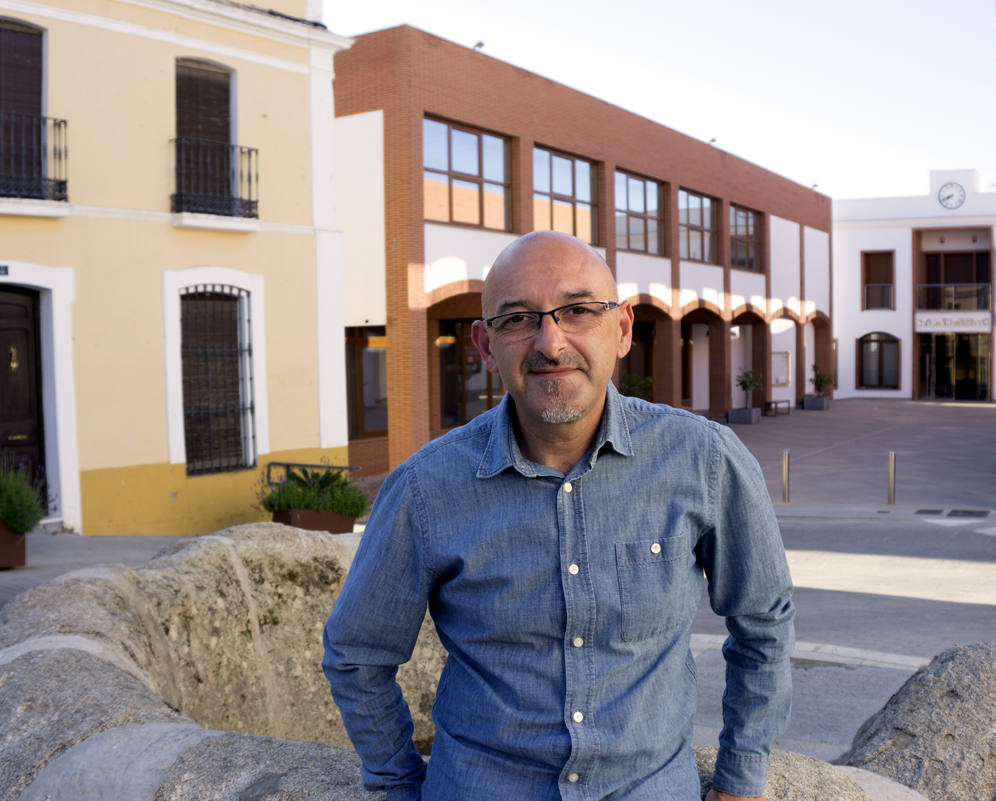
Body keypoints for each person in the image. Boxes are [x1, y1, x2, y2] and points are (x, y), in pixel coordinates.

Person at [323, 230, 796, 801]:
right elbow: (356, 656)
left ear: (621, 329)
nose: (550, 342)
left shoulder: (705, 459)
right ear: (483, 343)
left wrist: (742, 779)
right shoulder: (426, 488)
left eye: (577, 311)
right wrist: (397, 784)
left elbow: (764, 620)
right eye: (518, 318)